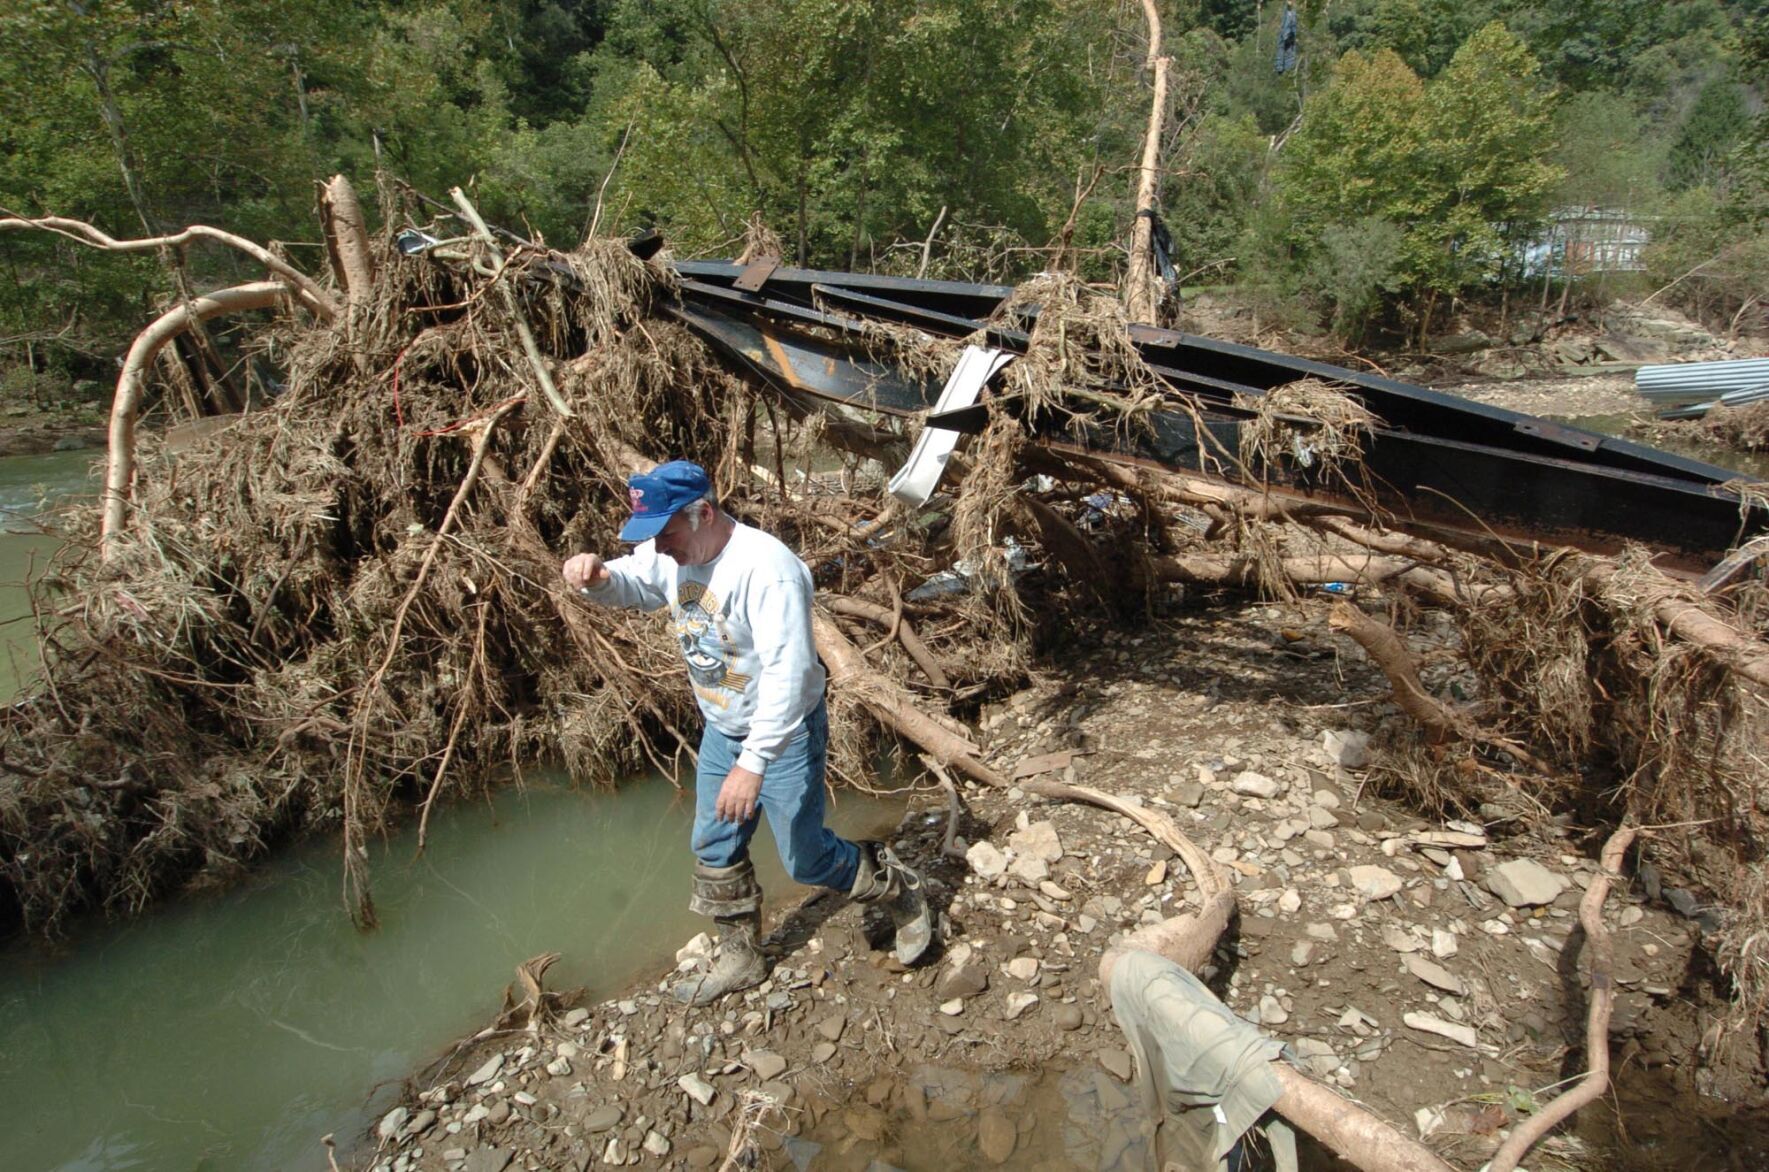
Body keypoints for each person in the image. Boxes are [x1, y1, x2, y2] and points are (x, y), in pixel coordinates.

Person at [562, 459, 933, 1005]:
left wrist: (753, 763)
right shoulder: (671, 550)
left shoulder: (767, 570)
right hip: (723, 726)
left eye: (666, 533)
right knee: (713, 845)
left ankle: (897, 887)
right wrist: (600, 580)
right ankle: (742, 958)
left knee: (805, 859)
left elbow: (791, 676)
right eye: (651, 537)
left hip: (783, 732)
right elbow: (638, 583)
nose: (659, 547)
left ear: (704, 514)